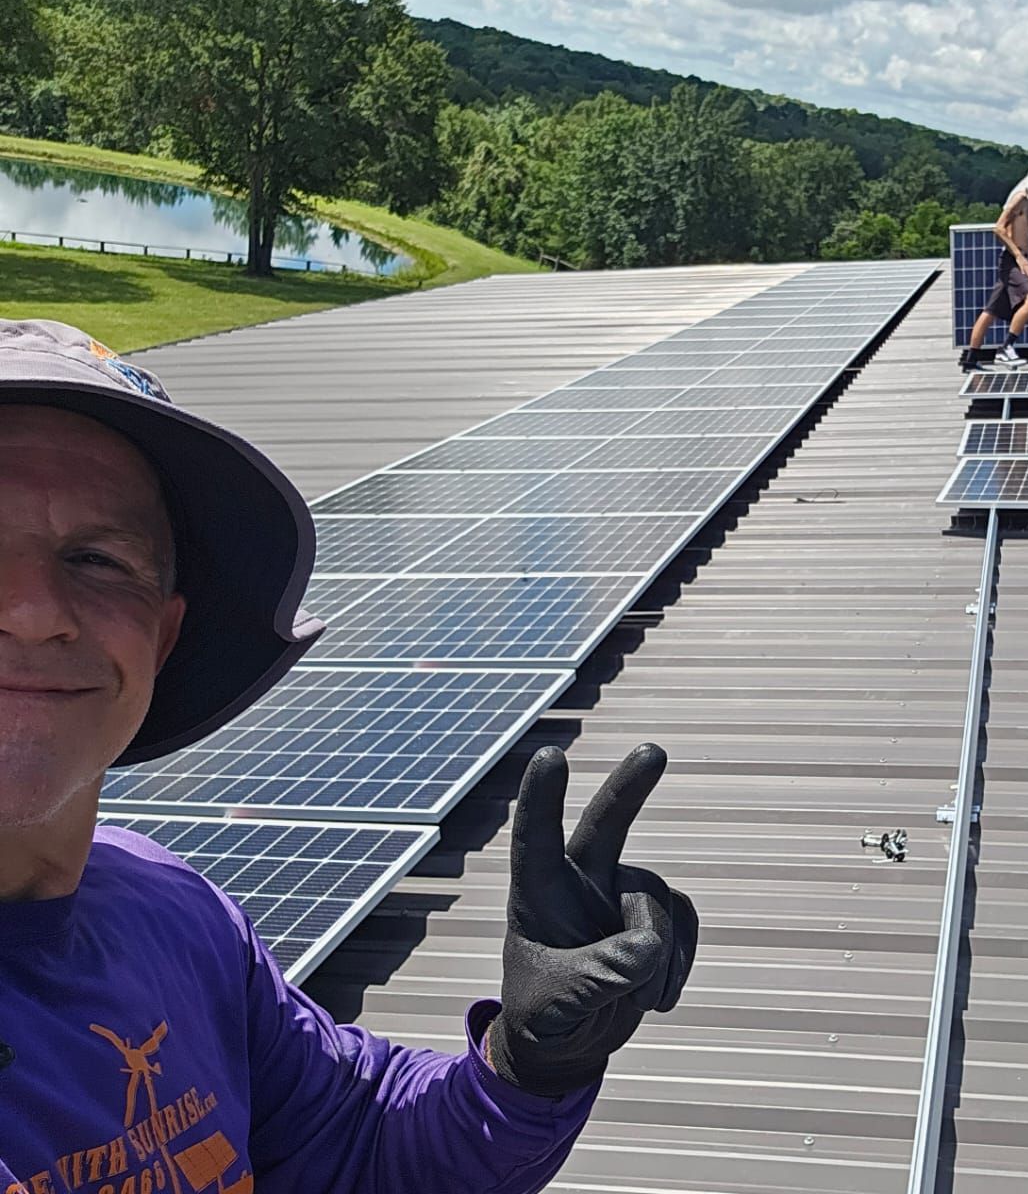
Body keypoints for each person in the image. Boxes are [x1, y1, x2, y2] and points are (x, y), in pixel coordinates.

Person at [0, 319, 697, 1194]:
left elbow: (356, 1140)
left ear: (164, 635)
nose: (33, 610)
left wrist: (529, 1065)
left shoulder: (169, 911)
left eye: (97, 560)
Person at [961, 158, 1028, 370]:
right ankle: (1006, 348)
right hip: (1013, 260)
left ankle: (970, 360)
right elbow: (999, 228)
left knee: (990, 312)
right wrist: (1019, 257)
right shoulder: (1021, 196)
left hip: (1013, 259)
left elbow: (1021, 224)